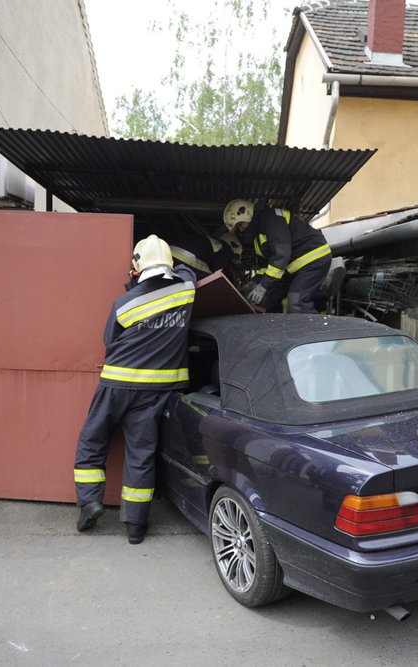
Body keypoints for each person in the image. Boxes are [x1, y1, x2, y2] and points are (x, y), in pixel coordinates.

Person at [73, 235, 197, 545]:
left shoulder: (123, 304)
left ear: (136, 268)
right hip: (154, 393)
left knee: (92, 442)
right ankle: (135, 526)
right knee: (140, 455)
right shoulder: (186, 290)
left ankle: (90, 502)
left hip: (115, 386)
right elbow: (189, 272)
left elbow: (109, 341)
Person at [222, 199, 332, 313]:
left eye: (240, 224)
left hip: (313, 259)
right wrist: (252, 285)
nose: (241, 230)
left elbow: (282, 256)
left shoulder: (271, 219)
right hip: (293, 269)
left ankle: (317, 328)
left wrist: (263, 286)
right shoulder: (258, 238)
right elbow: (267, 268)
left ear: (247, 215)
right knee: (267, 300)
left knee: (297, 301)